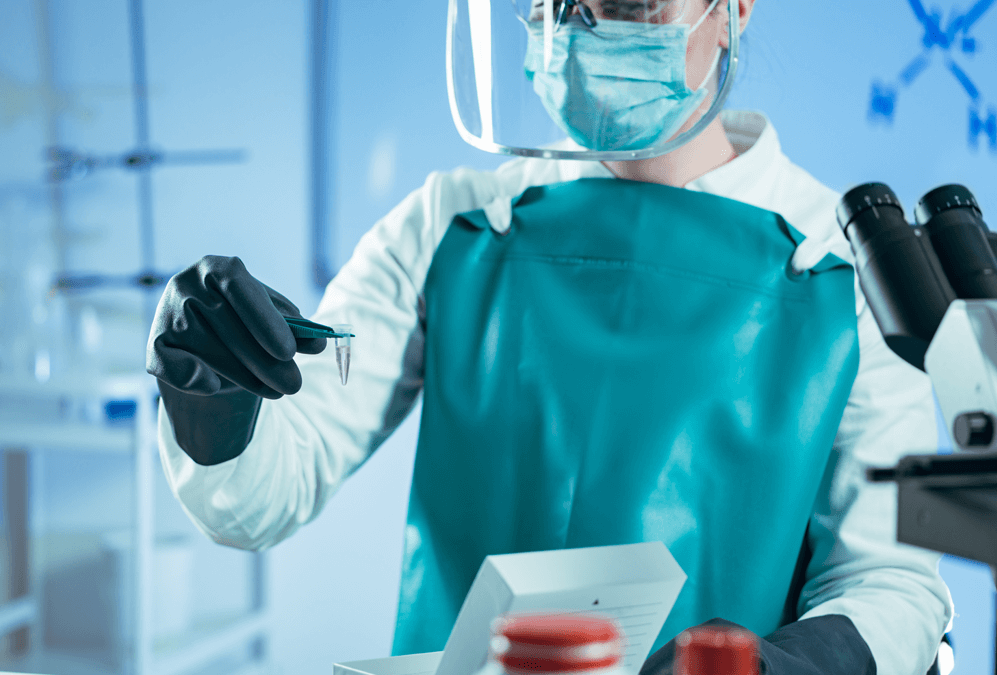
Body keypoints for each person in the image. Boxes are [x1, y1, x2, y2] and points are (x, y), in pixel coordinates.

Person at [147, 1, 953, 673]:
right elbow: (259, 500)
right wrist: (214, 394)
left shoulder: (845, 274)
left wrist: (785, 666)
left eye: (631, 4)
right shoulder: (454, 229)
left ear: (734, 9)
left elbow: (895, 583)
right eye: (554, 7)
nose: (584, 34)